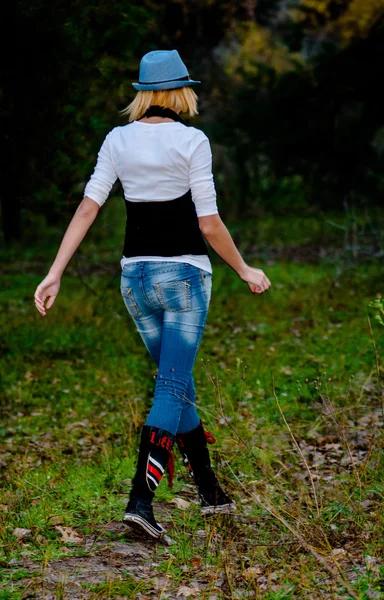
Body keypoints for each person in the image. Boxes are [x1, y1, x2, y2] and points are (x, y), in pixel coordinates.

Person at [34, 49, 271, 539]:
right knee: (172, 385)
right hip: (183, 278)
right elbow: (207, 222)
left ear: (144, 94)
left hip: (135, 281)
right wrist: (245, 268)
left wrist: (55, 272)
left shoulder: (117, 140)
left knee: (175, 383)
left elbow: (87, 207)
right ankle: (141, 500)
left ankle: (210, 494)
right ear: (179, 90)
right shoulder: (192, 141)